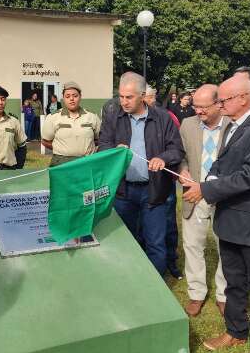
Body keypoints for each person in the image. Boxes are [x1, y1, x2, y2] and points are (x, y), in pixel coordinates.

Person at [182, 76, 250, 353]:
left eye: (224, 99)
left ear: (243, 98)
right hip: (231, 218)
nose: (221, 104)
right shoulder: (234, 126)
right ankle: (235, 331)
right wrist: (210, 177)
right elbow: (222, 162)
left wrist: (207, 188)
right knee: (234, 281)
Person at [98, 72, 184, 275]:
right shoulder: (113, 117)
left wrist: (163, 158)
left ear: (143, 95)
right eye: (121, 96)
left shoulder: (162, 118)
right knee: (126, 240)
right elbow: (103, 145)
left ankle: (157, 290)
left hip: (153, 192)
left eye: (129, 97)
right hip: (123, 191)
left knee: (155, 243)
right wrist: (113, 151)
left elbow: (177, 150)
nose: (124, 102)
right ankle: (128, 281)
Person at [178, 84, 229, 318]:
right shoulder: (188, 125)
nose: (197, 111)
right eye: (195, 106)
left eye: (202, 107)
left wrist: (207, 188)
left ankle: (224, 295)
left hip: (225, 197)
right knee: (192, 245)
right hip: (193, 195)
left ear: (219, 104)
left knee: (226, 247)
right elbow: (181, 155)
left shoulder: (233, 126)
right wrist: (184, 170)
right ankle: (197, 294)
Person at [145, 86, 182, 279]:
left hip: (163, 182)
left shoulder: (168, 117)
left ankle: (171, 261)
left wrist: (165, 160)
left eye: (147, 98)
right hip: (145, 183)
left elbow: (176, 148)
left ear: (151, 98)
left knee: (168, 223)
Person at [41, 81, 101, 166]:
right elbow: (45, 141)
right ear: (63, 98)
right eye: (67, 96)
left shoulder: (92, 117)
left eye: (75, 96)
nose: (71, 99)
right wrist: (62, 150)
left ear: (80, 97)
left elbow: (99, 139)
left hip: (87, 162)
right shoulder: (53, 117)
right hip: (61, 164)